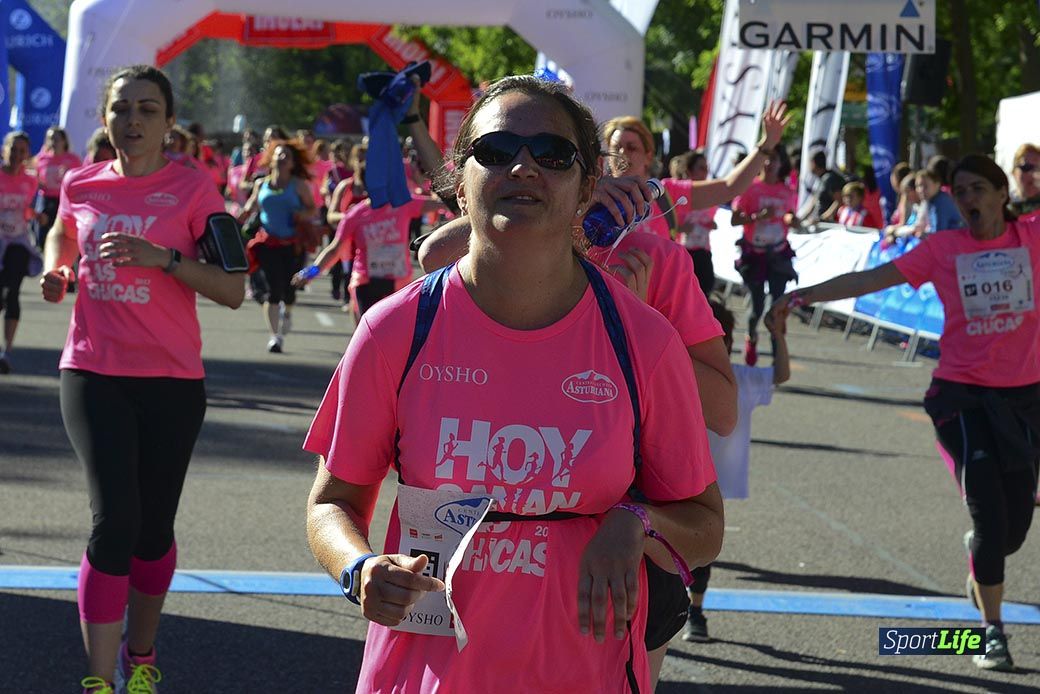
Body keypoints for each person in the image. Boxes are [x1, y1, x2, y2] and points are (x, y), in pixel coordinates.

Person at [304, 74, 723, 693]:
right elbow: (331, 502)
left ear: (587, 186)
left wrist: (636, 521)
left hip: (585, 673)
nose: (523, 167)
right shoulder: (394, 329)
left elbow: (705, 523)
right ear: (459, 182)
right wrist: (358, 567)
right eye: (496, 151)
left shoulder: (645, 340)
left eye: (552, 154)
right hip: (423, 675)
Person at [769, 154, 1039, 672]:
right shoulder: (943, 248)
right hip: (962, 397)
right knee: (988, 512)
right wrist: (803, 296)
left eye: (978, 189)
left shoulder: (1031, 237)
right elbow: (871, 279)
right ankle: (992, 632)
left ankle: (983, 558)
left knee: (1014, 531)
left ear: (1002, 194)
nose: (968, 199)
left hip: (1024, 399)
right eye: (960, 191)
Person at [39, 64, 244, 694]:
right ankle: (99, 679)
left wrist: (165, 259)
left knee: (152, 531)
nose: (132, 120)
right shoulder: (80, 182)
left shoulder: (194, 189)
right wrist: (59, 270)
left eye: (147, 109)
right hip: (93, 371)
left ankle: (142, 653)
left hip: (171, 381)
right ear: (105, 118)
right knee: (114, 523)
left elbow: (233, 289)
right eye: (121, 108)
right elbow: (63, 231)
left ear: (168, 122)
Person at [683, 297, 790, 643]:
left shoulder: (739, 378)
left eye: (719, 337)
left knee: (703, 545)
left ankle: (695, 611)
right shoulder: (675, 369)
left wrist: (778, 336)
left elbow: (780, 375)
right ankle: (673, 612)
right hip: (671, 477)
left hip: (712, 482)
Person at [294, 192, 444, 320]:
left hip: (398, 283)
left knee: (396, 335)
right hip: (366, 283)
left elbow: (439, 203)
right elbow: (335, 249)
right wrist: (311, 272)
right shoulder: (356, 214)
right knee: (370, 332)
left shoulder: (403, 204)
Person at [239, 138, 317, 353]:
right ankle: (275, 337)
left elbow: (312, 209)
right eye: (279, 154)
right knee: (273, 290)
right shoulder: (261, 184)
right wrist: (239, 216)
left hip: (293, 245)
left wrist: (302, 214)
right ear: (271, 158)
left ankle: (287, 311)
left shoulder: (298, 185)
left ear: (292, 163)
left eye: (287, 156)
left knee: (289, 291)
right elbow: (251, 206)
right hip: (267, 242)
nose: (282, 158)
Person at [731, 143, 798, 366]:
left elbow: (789, 214)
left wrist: (792, 220)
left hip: (779, 254)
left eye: (774, 159)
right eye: (766, 159)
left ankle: (778, 354)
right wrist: (757, 217)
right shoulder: (750, 188)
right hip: (755, 255)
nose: (769, 164)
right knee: (757, 307)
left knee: (777, 305)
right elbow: (734, 219)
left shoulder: (787, 191)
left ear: (781, 163)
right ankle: (751, 337)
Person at [0, 131, 43, 373]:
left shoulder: (30, 181)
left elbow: (24, 208)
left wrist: (35, 215)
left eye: (22, 151)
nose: (17, 155)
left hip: (18, 241)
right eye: (13, 150)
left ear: (27, 155)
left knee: (12, 292)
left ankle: (6, 353)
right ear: (4, 150)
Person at [665, 150, 717, 296]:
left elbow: (708, 220)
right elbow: (663, 224)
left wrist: (711, 225)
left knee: (705, 289)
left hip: (703, 251)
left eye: (707, 168)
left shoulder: (710, 195)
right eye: (701, 168)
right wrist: (681, 228)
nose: (705, 172)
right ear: (689, 170)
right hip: (681, 252)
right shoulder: (676, 193)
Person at [33, 127, 83, 249]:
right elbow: (35, 178)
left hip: (64, 201)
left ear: (64, 141)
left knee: (63, 236)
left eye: (56, 139)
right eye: (50, 139)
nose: (53, 142)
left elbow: (79, 180)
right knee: (42, 235)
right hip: (45, 200)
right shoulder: (41, 158)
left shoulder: (73, 159)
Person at [798, 151, 845, 223]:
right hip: (819, 223)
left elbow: (839, 200)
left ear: (813, 163)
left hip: (828, 226)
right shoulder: (821, 179)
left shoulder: (830, 179)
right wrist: (801, 219)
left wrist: (823, 218)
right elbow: (814, 202)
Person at [916, 168, 965, 234]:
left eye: (925, 186)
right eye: (918, 186)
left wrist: (923, 235)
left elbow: (938, 232)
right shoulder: (931, 200)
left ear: (937, 184)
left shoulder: (941, 202)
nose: (921, 190)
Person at [1009, 143, 1040, 219]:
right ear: (1014, 172)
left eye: (1038, 168)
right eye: (1026, 167)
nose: (1032, 173)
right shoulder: (1002, 207)